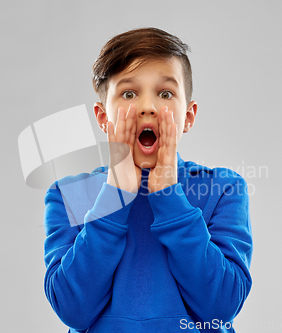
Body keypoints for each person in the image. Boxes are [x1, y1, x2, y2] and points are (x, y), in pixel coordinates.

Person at [43, 27, 253, 333]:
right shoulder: (67, 194)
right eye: (129, 93)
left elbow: (220, 308)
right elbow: (73, 309)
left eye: (165, 93)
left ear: (189, 116)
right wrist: (116, 192)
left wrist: (168, 192)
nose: (147, 106)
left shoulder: (223, 189)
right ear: (103, 117)